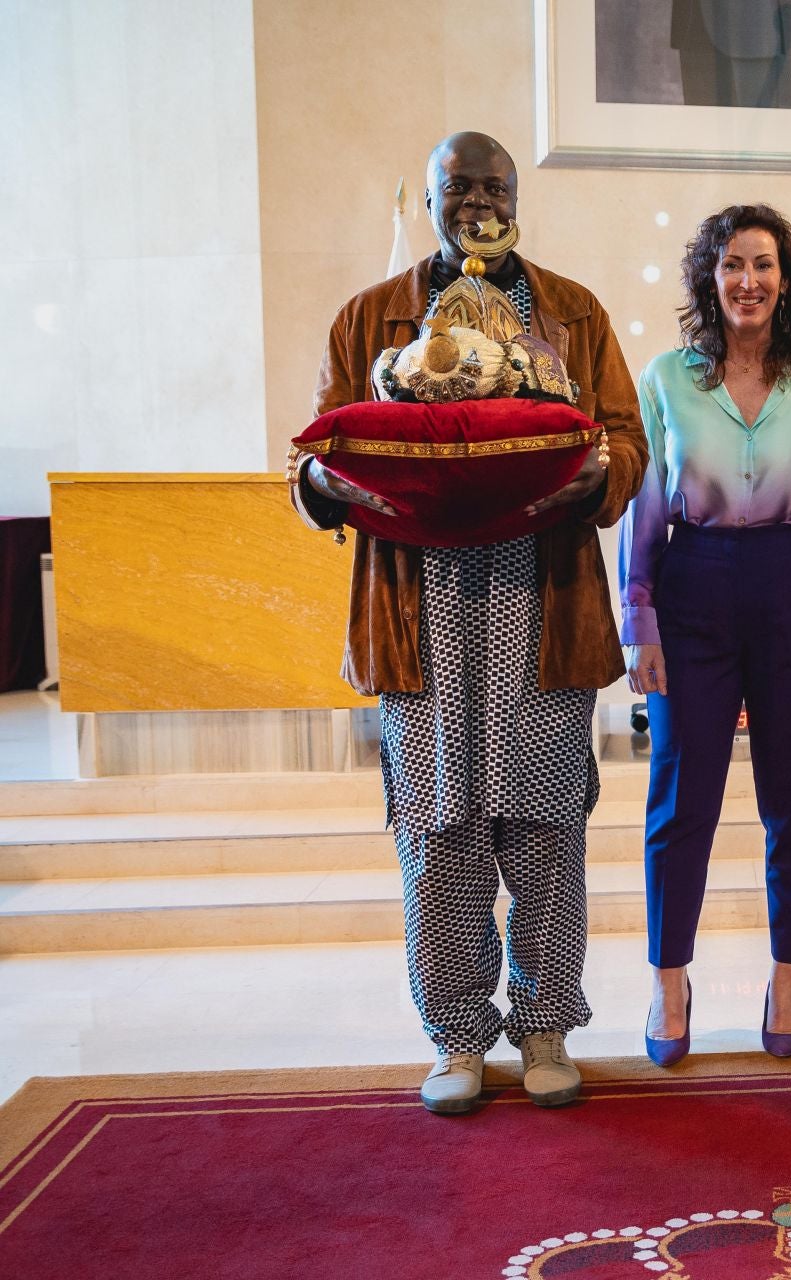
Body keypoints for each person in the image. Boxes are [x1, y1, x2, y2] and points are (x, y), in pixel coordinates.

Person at [292, 132, 644, 1115]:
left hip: (543, 605)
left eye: (495, 186)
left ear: (517, 198)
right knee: (437, 837)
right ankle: (454, 1036)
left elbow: (626, 441)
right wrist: (328, 482)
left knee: (545, 831)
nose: (479, 202)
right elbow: (312, 450)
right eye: (460, 187)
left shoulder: (575, 313)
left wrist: (591, 477)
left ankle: (545, 1027)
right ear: (433, 199)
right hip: (421, 614)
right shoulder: (369, 317)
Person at [618, 204, 791, 1066]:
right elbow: (645, 505)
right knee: (681, 802)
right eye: (732, 265)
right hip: (695, 587)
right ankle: (667, 981)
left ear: (786, 281)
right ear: (709, 278)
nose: (748, 281)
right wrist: (639, 619)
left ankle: (789, 976)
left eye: (763, 264)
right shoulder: (667, 378)